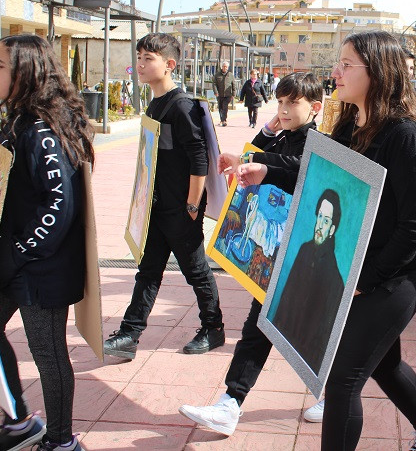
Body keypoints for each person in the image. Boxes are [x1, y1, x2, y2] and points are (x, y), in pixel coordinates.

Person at [316, 31, 416, 449]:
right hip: (361, 267)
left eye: (346, 64)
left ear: (377, 71)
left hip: (398, 274)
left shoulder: (406, 135)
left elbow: (415, 226)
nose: (336, 72)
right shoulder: (348, 123)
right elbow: (319, 174)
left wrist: (365, 280)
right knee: (384, 364)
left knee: (341, 381)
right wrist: (264, 167)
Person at [178, 72, 325, 435]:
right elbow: (260, 156)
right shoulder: (285, 136)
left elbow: (297, 169)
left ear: (315, 107)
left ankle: (333, 392)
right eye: (280, 102)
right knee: (261, 326)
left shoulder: (317, 143)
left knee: (310, 330)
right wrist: (265, 135)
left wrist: (263, 163)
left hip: (302, 255)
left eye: (293, 103)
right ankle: (231, 403)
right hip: (277, 253)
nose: (284, 110)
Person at [0, 35, 95, 450]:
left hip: (41, 268)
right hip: (13, 263)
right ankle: (19, 420)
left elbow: (59, 203)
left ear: (25, 72)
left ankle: (62, 441)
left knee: (48, 354)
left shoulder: (40, 128)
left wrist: (19, 251)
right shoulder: (20, 120)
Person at [103, 33, 224, 360]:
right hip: (156, 208)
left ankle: (213, 328)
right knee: (148, 269)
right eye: (138, 57)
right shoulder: (155, 104)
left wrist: (191, 206)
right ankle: (129, 335)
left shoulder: (181, 106)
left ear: (169, 64)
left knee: (195, 270)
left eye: (148, 58)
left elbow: (199, 158)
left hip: (180, 209)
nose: (140, 65)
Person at [272, 189, 344, 371]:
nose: (319, 224)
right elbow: (286, 300)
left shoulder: (335, 279)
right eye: (319, 217)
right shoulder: (304, 250)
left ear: (332, 230)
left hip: (309, 359)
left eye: (326, 220)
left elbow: (324, 337)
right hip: (288, 343)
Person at [213, 60, 234, 127]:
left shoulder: (230, 75)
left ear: (228, 67)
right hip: (219, 94)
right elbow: (214, 84)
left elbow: (234, 85)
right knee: (220, 108)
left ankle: (223, 120)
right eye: (224, 66)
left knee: (225, 107)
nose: (225, 68)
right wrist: (215, 92)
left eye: (226, 67)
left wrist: (233, 94)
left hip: (228, 95)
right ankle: (222, 119)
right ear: (222, 67)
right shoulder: (217, 75)